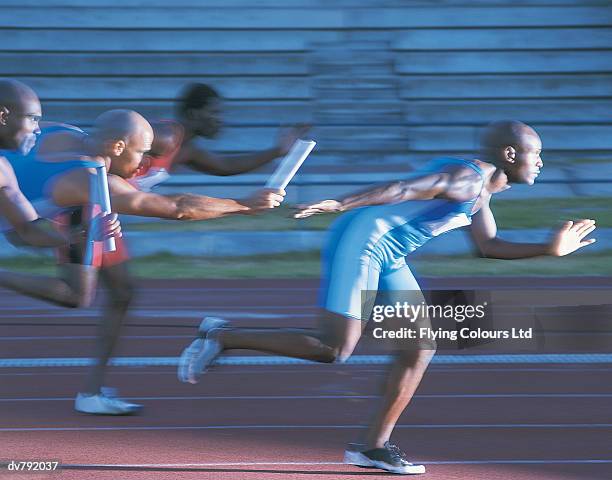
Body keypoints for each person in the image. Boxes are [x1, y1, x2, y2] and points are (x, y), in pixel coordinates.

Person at [177, 121, 596, 475]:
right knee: (334, 349)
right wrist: (338, 202)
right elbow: (401, 189)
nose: (541, 162)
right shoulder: (467, 177)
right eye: (535, 153)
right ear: (510, 153)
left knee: (418, 347)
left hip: (388, 252)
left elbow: (487, 246)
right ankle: (223, 337)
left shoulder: (481, 190)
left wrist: (548, 248)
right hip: (364, 243)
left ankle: (371, 446)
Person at [5, 109, 285, 415]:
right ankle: (90, 392)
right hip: (29, 215)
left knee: (121, 291)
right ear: (118, 147)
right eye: (141, 153)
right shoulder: (90, 178)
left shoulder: (65, 133)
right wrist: (243, 205)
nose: (144, 164)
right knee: (75, 294)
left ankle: (91, 392)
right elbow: (176, 207)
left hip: (43, 211)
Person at [130, 82, 309, 191]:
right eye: (214, 113)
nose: (220, 120)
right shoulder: (165, 133)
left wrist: (277, 151)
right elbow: (124, 137)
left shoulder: (187, 150)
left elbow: (227, 166)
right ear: (193, 114)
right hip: (104, 203)